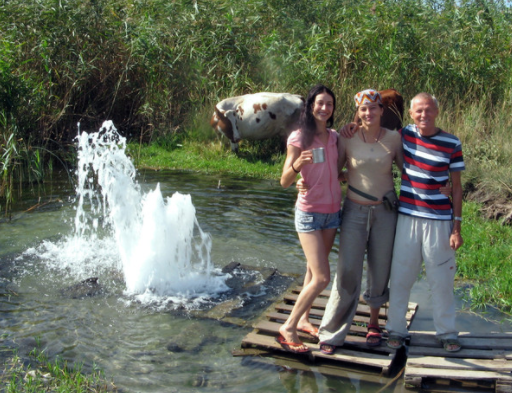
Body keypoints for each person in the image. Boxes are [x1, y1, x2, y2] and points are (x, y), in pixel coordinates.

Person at [314, 89, 404, 354]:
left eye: (373, 108)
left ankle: (374, 323)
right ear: (358, 112)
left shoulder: (394, 139)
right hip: (354, 211)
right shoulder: (347, 138)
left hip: (385, 213)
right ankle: (332, 333)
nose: (368, 113)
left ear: (381, 110)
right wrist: (305, 181)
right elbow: (333, 169)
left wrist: (441, 186)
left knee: (380, 269)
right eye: (363, 110)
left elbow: (408, 172)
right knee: (348, 271)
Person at [385, 92, 465, 352]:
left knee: (441, 280)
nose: (424, 115)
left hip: (439, 222)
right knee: (400, 278)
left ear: (437, 112)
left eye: (429, 110)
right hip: (407, 218)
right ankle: (396, 329)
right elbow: (373, 128)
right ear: (410, 114)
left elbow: (456, 187)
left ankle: (447, 332)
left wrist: (457, 227)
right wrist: (351, 127)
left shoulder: (451, 143)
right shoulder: (403, 135)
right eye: (419, 110)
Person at [278, 84, 342, 353]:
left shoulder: (335, 137)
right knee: (322, 277)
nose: (324, 108)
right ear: (310, 106)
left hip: (332, 213)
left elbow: (337, 171)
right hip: (308, 213)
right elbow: (284, 180)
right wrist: (298, 165)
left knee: (311, 271)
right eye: (320, 103)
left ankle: (304, 319)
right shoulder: (298, 138)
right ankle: (288, 326)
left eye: (329, 104)